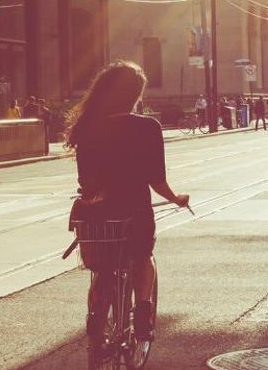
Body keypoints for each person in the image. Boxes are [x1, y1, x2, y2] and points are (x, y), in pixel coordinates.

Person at [67, 61, 189, 342]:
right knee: (142, 256)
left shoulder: (87, 127)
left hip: (97, 215)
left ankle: (96, 316)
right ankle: (143, 312)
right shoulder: (147, 127)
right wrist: (176, 199)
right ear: (136, 94)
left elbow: (86, 181)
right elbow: (156, 180)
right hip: (134, 210)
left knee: (103, 268)